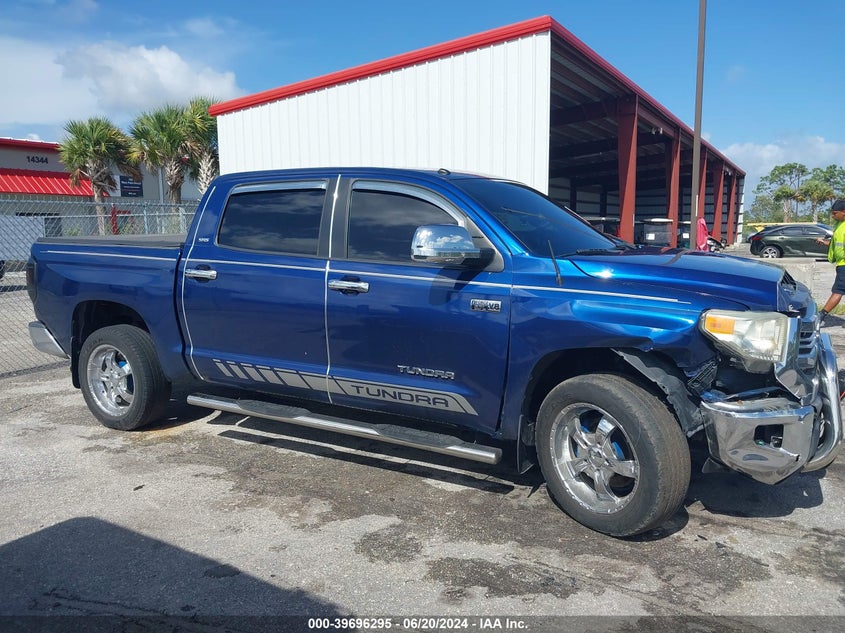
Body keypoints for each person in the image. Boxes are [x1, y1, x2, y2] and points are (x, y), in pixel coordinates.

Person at [815, 199, 845, 324]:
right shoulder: (839, 225)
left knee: (838, 291)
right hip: (840, 263)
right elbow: (836, 244)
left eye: (835, 213)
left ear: (844, 212)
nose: (832, 216)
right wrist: (825, 242)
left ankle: (821, 316)